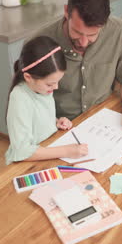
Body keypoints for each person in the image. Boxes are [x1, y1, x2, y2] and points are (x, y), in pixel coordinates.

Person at [44, 0, 122, 134]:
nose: (84, 42)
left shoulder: (118, 31)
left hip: (104, 123)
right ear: (66, 11)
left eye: (92, 35)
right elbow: (28, 103)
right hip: (58, 128)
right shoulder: (41, 42)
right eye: (77, 32)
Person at [5, 36, 88, 165]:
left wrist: (55, 122)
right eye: (50, 84)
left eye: (57, 82)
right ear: (28, 77)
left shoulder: (41, 88)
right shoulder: (19, 98)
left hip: (47, 150)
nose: (56, 87)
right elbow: (22, 151)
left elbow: (36, 118)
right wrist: (66, 151)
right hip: (27, 164)